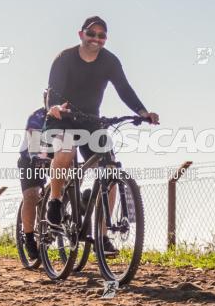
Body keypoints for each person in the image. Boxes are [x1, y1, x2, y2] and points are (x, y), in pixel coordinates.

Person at [43, 16, 159, 254]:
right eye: (91, 34)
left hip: (91, 122)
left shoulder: (110, 62)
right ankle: (55, 201)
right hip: (62, 118)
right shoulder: (64, 58)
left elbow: (124, 89)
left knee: (111, 170)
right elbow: (52, 89)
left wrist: (142, 112)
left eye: (101, 35)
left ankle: (102, 236)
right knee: (65, 150)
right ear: (81, 34)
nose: (96, 39)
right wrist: (54, 106)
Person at [17, 93, 48, 260]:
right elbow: (33, 141)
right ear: (45, 100)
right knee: (32, 195)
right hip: (29, 158)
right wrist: (37, 156)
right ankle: (29, 238)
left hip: (53, 156)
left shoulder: (69, 115)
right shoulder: (37, 116)